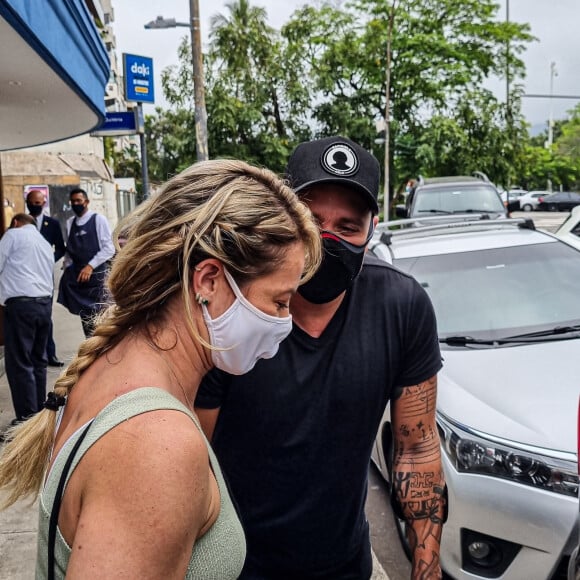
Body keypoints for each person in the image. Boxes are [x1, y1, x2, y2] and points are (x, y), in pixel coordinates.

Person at [0, 159, 321, 580]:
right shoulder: (155, 443)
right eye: (280, 301)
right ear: (207, 280)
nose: (285, 321)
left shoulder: (113, 365)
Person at [195, 136, 447, 580]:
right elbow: (192, 457)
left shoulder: (401, 307)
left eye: (348, 227)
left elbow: (417, 448)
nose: (326, 240)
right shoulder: (234, 309)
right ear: (283, 216)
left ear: (371, 232)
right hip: (238, 568)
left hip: (347, 564)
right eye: (311, 220)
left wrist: (425, 570)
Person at [0, 213, 54, 425]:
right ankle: (38, 413)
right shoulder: (43, 242)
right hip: (43, 304)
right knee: (38, 361)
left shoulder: (13, 235)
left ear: (15, 223)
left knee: (20, 363)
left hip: (21, 305)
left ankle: (26, 419)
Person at [57, 187, 115, 338]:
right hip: (79, 279)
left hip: (96, 278)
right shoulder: (70, 223)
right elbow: (70, 249)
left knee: (100, 319)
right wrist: (67, 265)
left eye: (79, 201)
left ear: (87, 202)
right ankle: (90, 350)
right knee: (86, 320)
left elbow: (109, 249)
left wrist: (90, 266)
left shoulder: (98, 220)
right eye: (73, 201)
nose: (76, 204)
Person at [26, 189, 66, 367]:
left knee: (45, 315)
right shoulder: (21, 222)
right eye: (32, 203)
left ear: (44, 203)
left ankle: (50, 354)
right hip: (25, 276)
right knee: (27, 314)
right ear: (27, 202)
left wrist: (49, 260)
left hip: (44, 276)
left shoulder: (52, 223)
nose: (35, 206)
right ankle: (32, 353)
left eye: (38, 203)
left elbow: (60, 248)